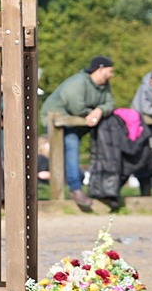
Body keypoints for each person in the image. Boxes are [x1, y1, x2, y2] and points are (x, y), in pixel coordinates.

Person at [40, 55, 115, 209]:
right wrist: (94, 112)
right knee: (71, 143)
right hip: (58, 122)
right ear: (100, 69)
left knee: (102, 139)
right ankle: (75, 188)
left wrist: (99, 110)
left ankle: (100, 187)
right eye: (110, 71)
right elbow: (76, 107)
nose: (112, 75)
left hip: (78, 122)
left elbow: (110, 103)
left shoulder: (104, 86)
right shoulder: (78, 82)